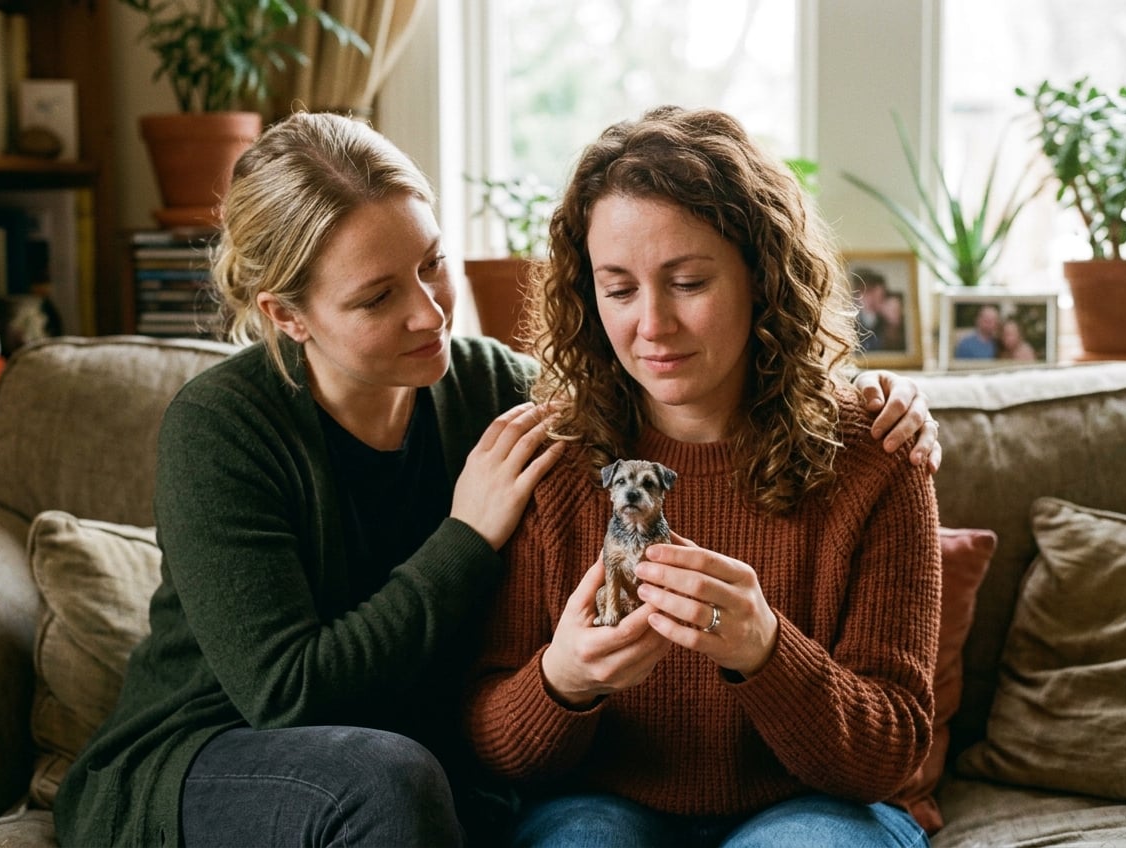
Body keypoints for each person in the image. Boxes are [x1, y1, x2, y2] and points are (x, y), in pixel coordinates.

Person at [53, 111, 940, 848]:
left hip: (444, 762)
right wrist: (474, 550)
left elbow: (679, 393)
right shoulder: (224, 427)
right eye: (375, 298)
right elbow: (291, 695)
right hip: (225, 741)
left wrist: (878, 402)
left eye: (433, 263)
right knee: (408, 784)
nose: (428, 311)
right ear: (287, 315)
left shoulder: (501, 394)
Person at [465, 106, 942, 848]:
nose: (652, 325)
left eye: (687, 281)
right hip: (602, 806)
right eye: (618, 289)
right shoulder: (552, 460)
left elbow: (888, 754)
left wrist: (764, 649)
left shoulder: (877, 454)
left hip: (820, 808)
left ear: (762, 277)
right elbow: (491, 744)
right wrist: (563, 679)